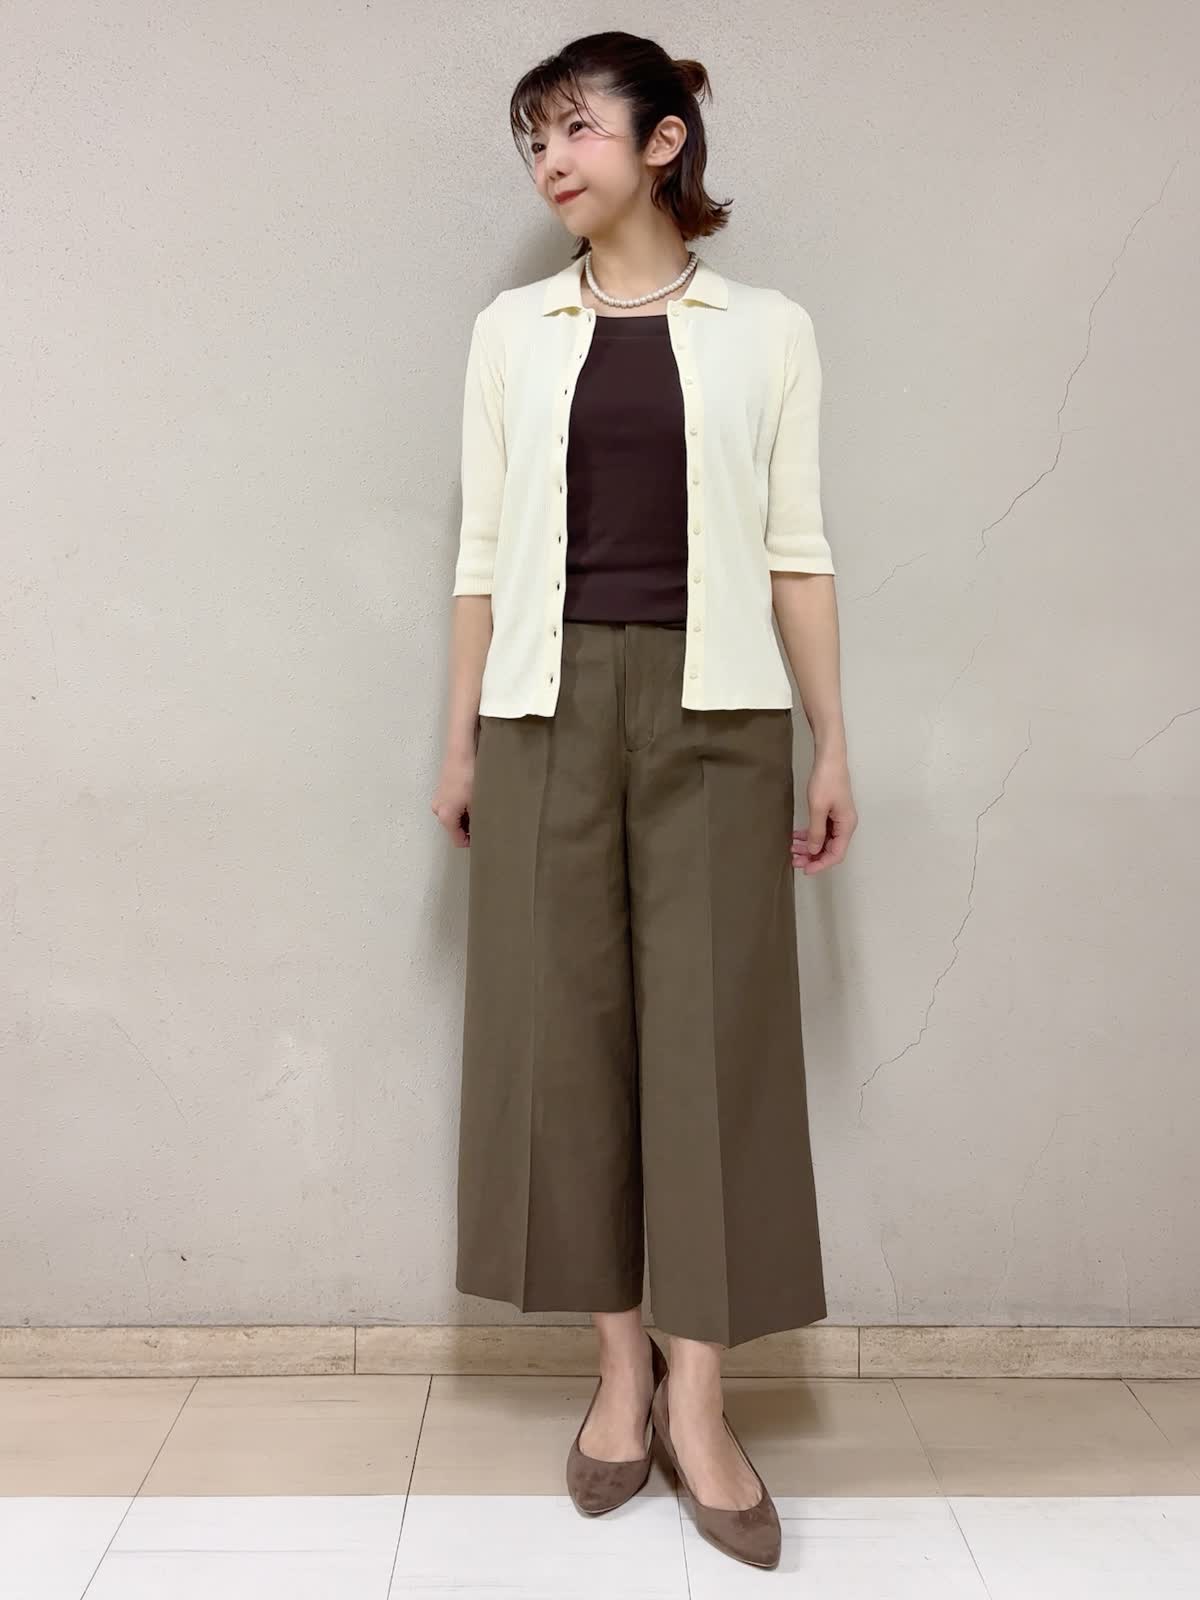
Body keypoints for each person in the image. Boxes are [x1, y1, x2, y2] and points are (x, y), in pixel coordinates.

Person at [431, 29, 857, 1571]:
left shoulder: (769, 331)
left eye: (576, 128)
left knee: (714, 1047)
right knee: (565, 1036)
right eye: (533, 138)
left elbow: (797, 549)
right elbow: (483, 553)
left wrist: (831, 738)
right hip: (546, 710)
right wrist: (462, 741)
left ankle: (701, 1399)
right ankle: (618, 1376)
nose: (550, 159)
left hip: (721, 707)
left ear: (663, 140)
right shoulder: (512, 333)